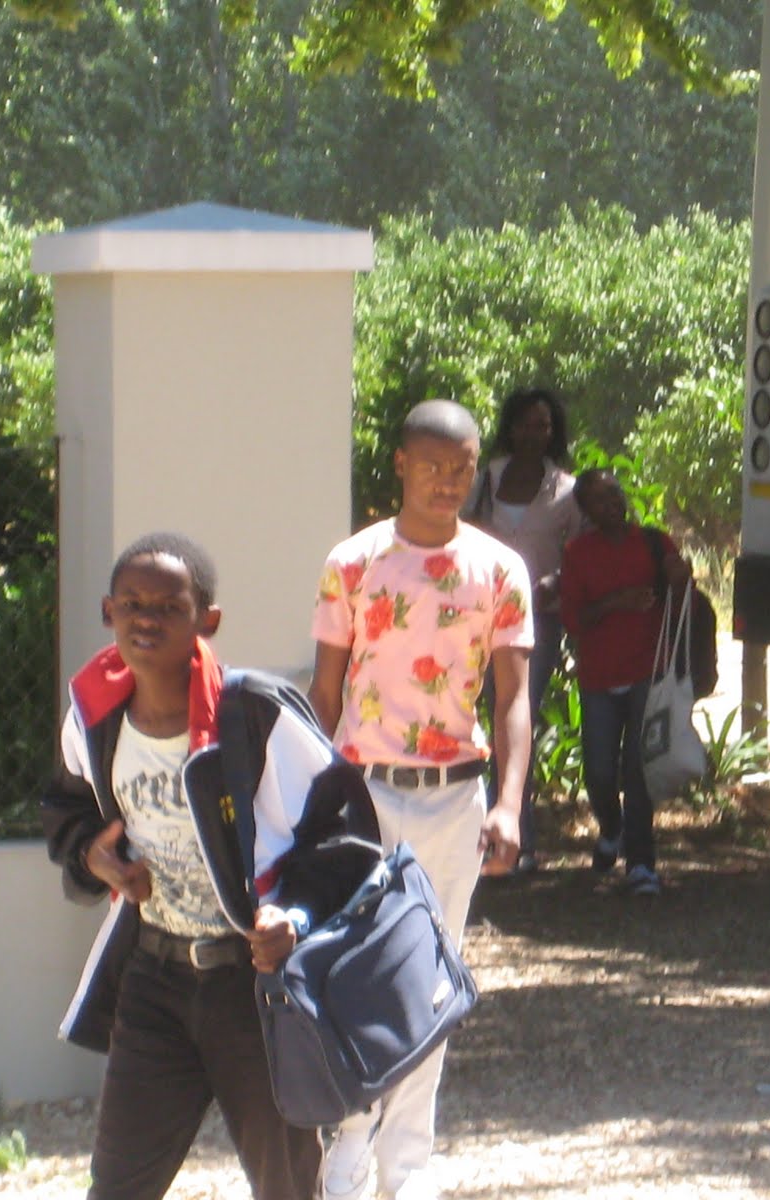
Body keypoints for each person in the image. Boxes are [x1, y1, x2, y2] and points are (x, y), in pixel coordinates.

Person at [40, 532, 378, 1200]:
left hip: (254, 988)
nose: (147, 619)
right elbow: (66, 807)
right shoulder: (93, 715)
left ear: (207, 620)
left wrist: (295, 916)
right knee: (118, 1184)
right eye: (132, 604)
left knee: (287, 1183)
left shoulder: (253, 714)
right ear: (108, 612)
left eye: (170, 606)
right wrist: (93, 856)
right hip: (153, 978)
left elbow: (344, 832)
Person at [309, 398, 533, 1200]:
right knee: (357, 975)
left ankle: (407, 1169)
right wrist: (307, 803)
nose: (447, 482)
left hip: (454, 799)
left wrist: (510, 803)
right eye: (432, 466)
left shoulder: (499, 570)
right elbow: (324, 692)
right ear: (401, 464)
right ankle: (348, 1145)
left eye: (462, 468)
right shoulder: (354, 563)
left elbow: (514, 698)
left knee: (430, 982)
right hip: (365, 795)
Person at [559, 467, 691, 897]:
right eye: (600, 499)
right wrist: (617, 602)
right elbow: (573, 618)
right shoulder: (578, 553)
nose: (612, 503)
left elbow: (680, 595)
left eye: (615, 493)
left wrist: (679, 577)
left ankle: (641, 864)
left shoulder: (653, 541)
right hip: (598, 676)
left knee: (637, 771)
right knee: (599, 770)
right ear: (586, 511)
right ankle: (611, 827)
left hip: (646, 671)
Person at [467, 386, 583, 873]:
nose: (535, 433)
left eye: (544, 426)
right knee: (476, 716)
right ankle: (473, 828)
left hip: (537, 621)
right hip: (476, 616)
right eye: (527, 424)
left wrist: (558, 580)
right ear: (510, 428)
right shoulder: (484, 479)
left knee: (517, 713)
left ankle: (519, 836)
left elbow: (582, 551)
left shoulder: (567, 490)